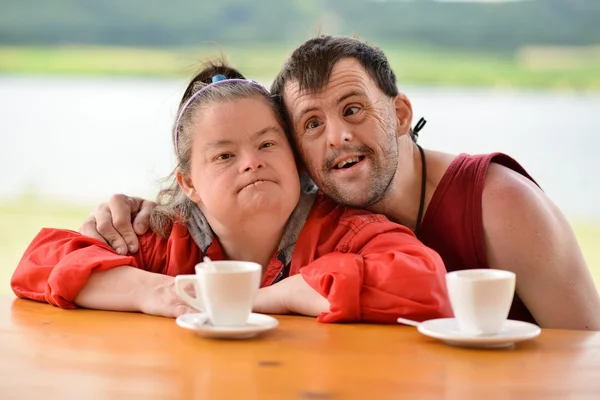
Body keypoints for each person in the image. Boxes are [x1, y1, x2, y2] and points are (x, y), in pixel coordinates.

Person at [84, 36, 600, 330]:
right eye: (311, 125)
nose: (337, 138)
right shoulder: (318, 210)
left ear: (399, 113)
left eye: (353, 110)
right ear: (299, 156)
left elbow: (587, 353)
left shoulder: (498, 201)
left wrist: (242, 299)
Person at [11, 61, 451, 323]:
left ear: (296, 158)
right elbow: (39, 262)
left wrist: (273, 296)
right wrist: (151, 292)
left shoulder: (346, 229)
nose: (250, 162)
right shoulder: (161, 239)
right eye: (223, 156)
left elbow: (423, 281)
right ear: (189, 184)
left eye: (267, 144)